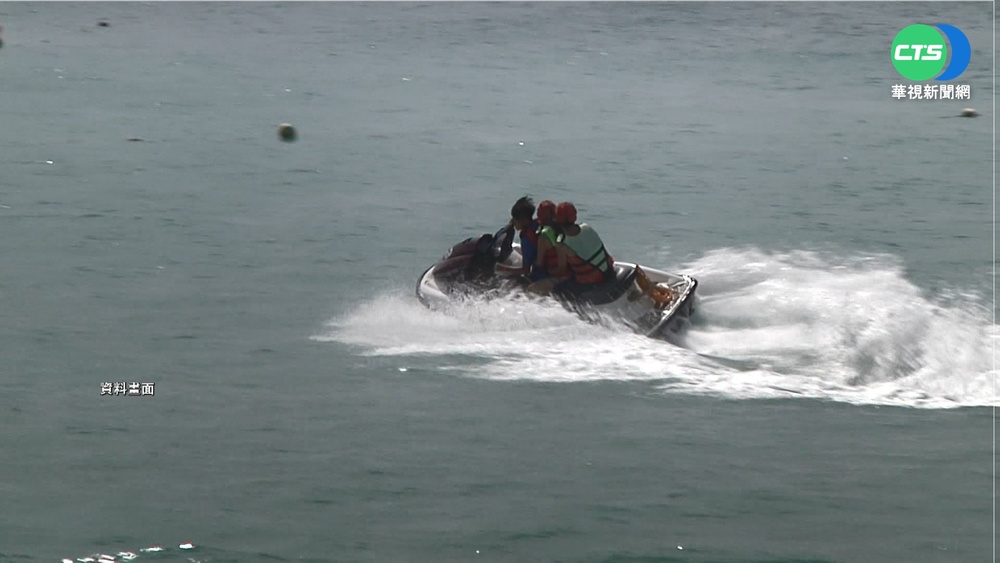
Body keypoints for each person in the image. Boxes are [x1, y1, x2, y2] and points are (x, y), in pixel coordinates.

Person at [543, 201, 615, 295]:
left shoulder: (561, 242)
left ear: (557, 219)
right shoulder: (587, 227)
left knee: (557, 289)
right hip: (609, 272)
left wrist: (549, 271)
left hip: (590, 282)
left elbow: (561, 269)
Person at [494, 196, 539, 280]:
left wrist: (502, 268)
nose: (512, 221)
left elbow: (525, 270)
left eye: (515, 219)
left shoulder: (527, 238)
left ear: (524, 220)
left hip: (540, 274)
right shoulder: (536, 225)